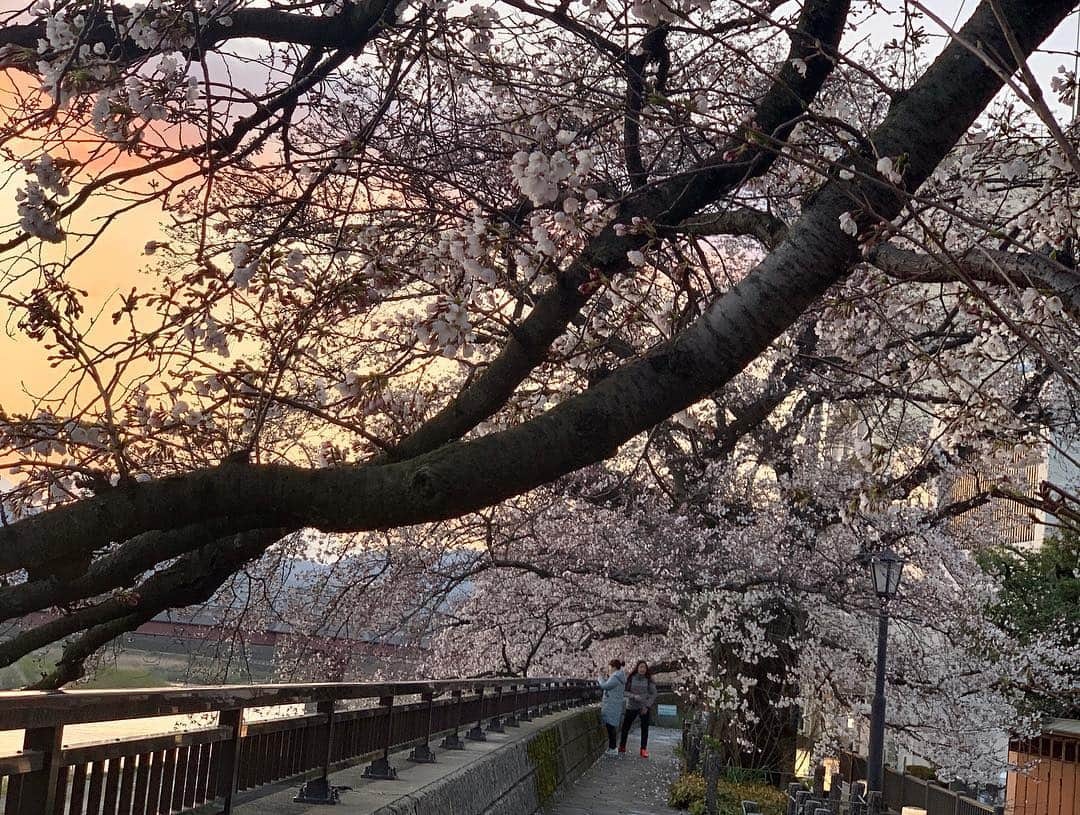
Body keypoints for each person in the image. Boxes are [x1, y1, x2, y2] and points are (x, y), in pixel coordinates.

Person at [620, 660, 657, 758]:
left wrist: (647, 706)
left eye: (644, 667)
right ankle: (622, 746)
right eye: (641, 667)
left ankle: (643, 749)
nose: (642, 669)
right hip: (631, 706)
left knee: (644, 728)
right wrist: (633, 696)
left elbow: (653, 694)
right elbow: (624, 692)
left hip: (644, 707)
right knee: (625, 727)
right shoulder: (631, 678)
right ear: (637, 668)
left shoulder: (649, 680)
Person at [597, 659, 627, 755]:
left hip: (611, 705)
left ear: (613, 667)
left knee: (610, 726)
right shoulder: (618, 676)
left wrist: (600, 678)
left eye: (609, 667)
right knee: (611, 726)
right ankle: (612, 747)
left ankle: (613, 748)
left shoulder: (616, 677)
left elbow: (605, 686)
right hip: (614, 704)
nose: (608, 669)